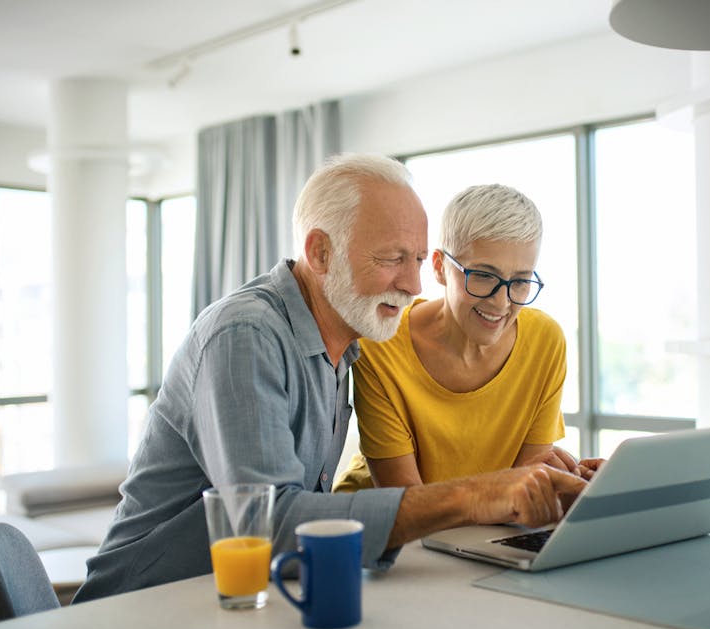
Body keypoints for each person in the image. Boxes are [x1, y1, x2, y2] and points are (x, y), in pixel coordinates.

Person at [73, 154, 586, 603]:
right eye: (390, 259)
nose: (411, 286)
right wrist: (474, 495)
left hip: (248, 600)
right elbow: (269, 526)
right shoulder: (247, 335)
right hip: (144, 609)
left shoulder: (347, 343)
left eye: (413, 260)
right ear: (320, 253)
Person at [335, 183, 591, 493]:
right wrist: (510, 493)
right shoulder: (381, 342)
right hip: (381, 533)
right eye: (483, 276)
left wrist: (574, 485)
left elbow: (525, 491)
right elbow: (405, 503)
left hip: (482, 532)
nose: (501, 303)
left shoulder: (545, 342)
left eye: (521, 281)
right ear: (441, 268)